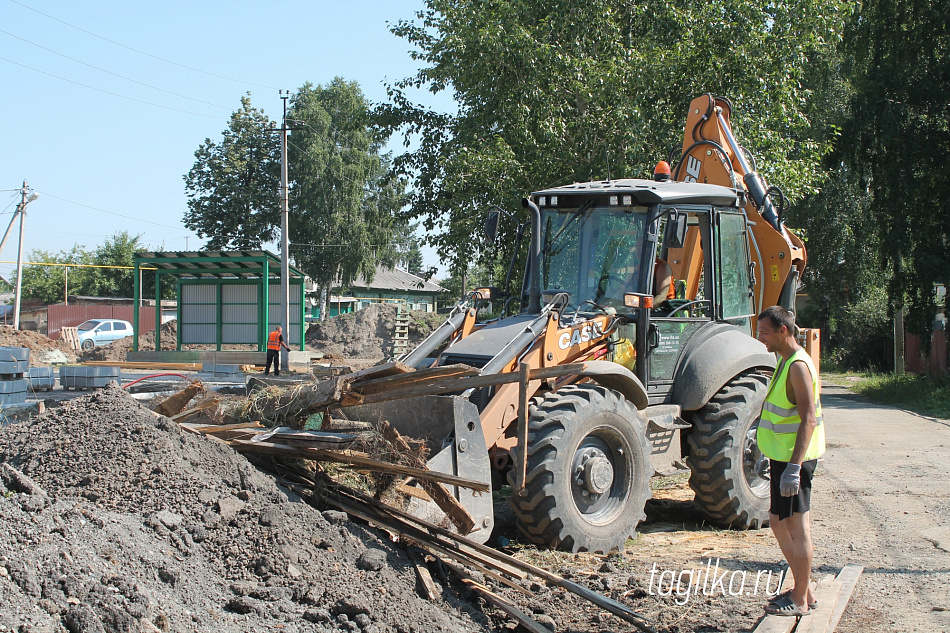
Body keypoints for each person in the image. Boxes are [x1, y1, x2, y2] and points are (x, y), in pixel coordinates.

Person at [756, 306, 826, 617]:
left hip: (795, 460)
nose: (762, 339)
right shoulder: (784, 361)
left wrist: (794, 469)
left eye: (766, 333)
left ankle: (799, 599)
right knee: (777, 521)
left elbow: (808, 419)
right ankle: (804, 587)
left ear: (783, 331)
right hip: (782, 457)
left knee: (798, 528)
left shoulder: (797, 366)